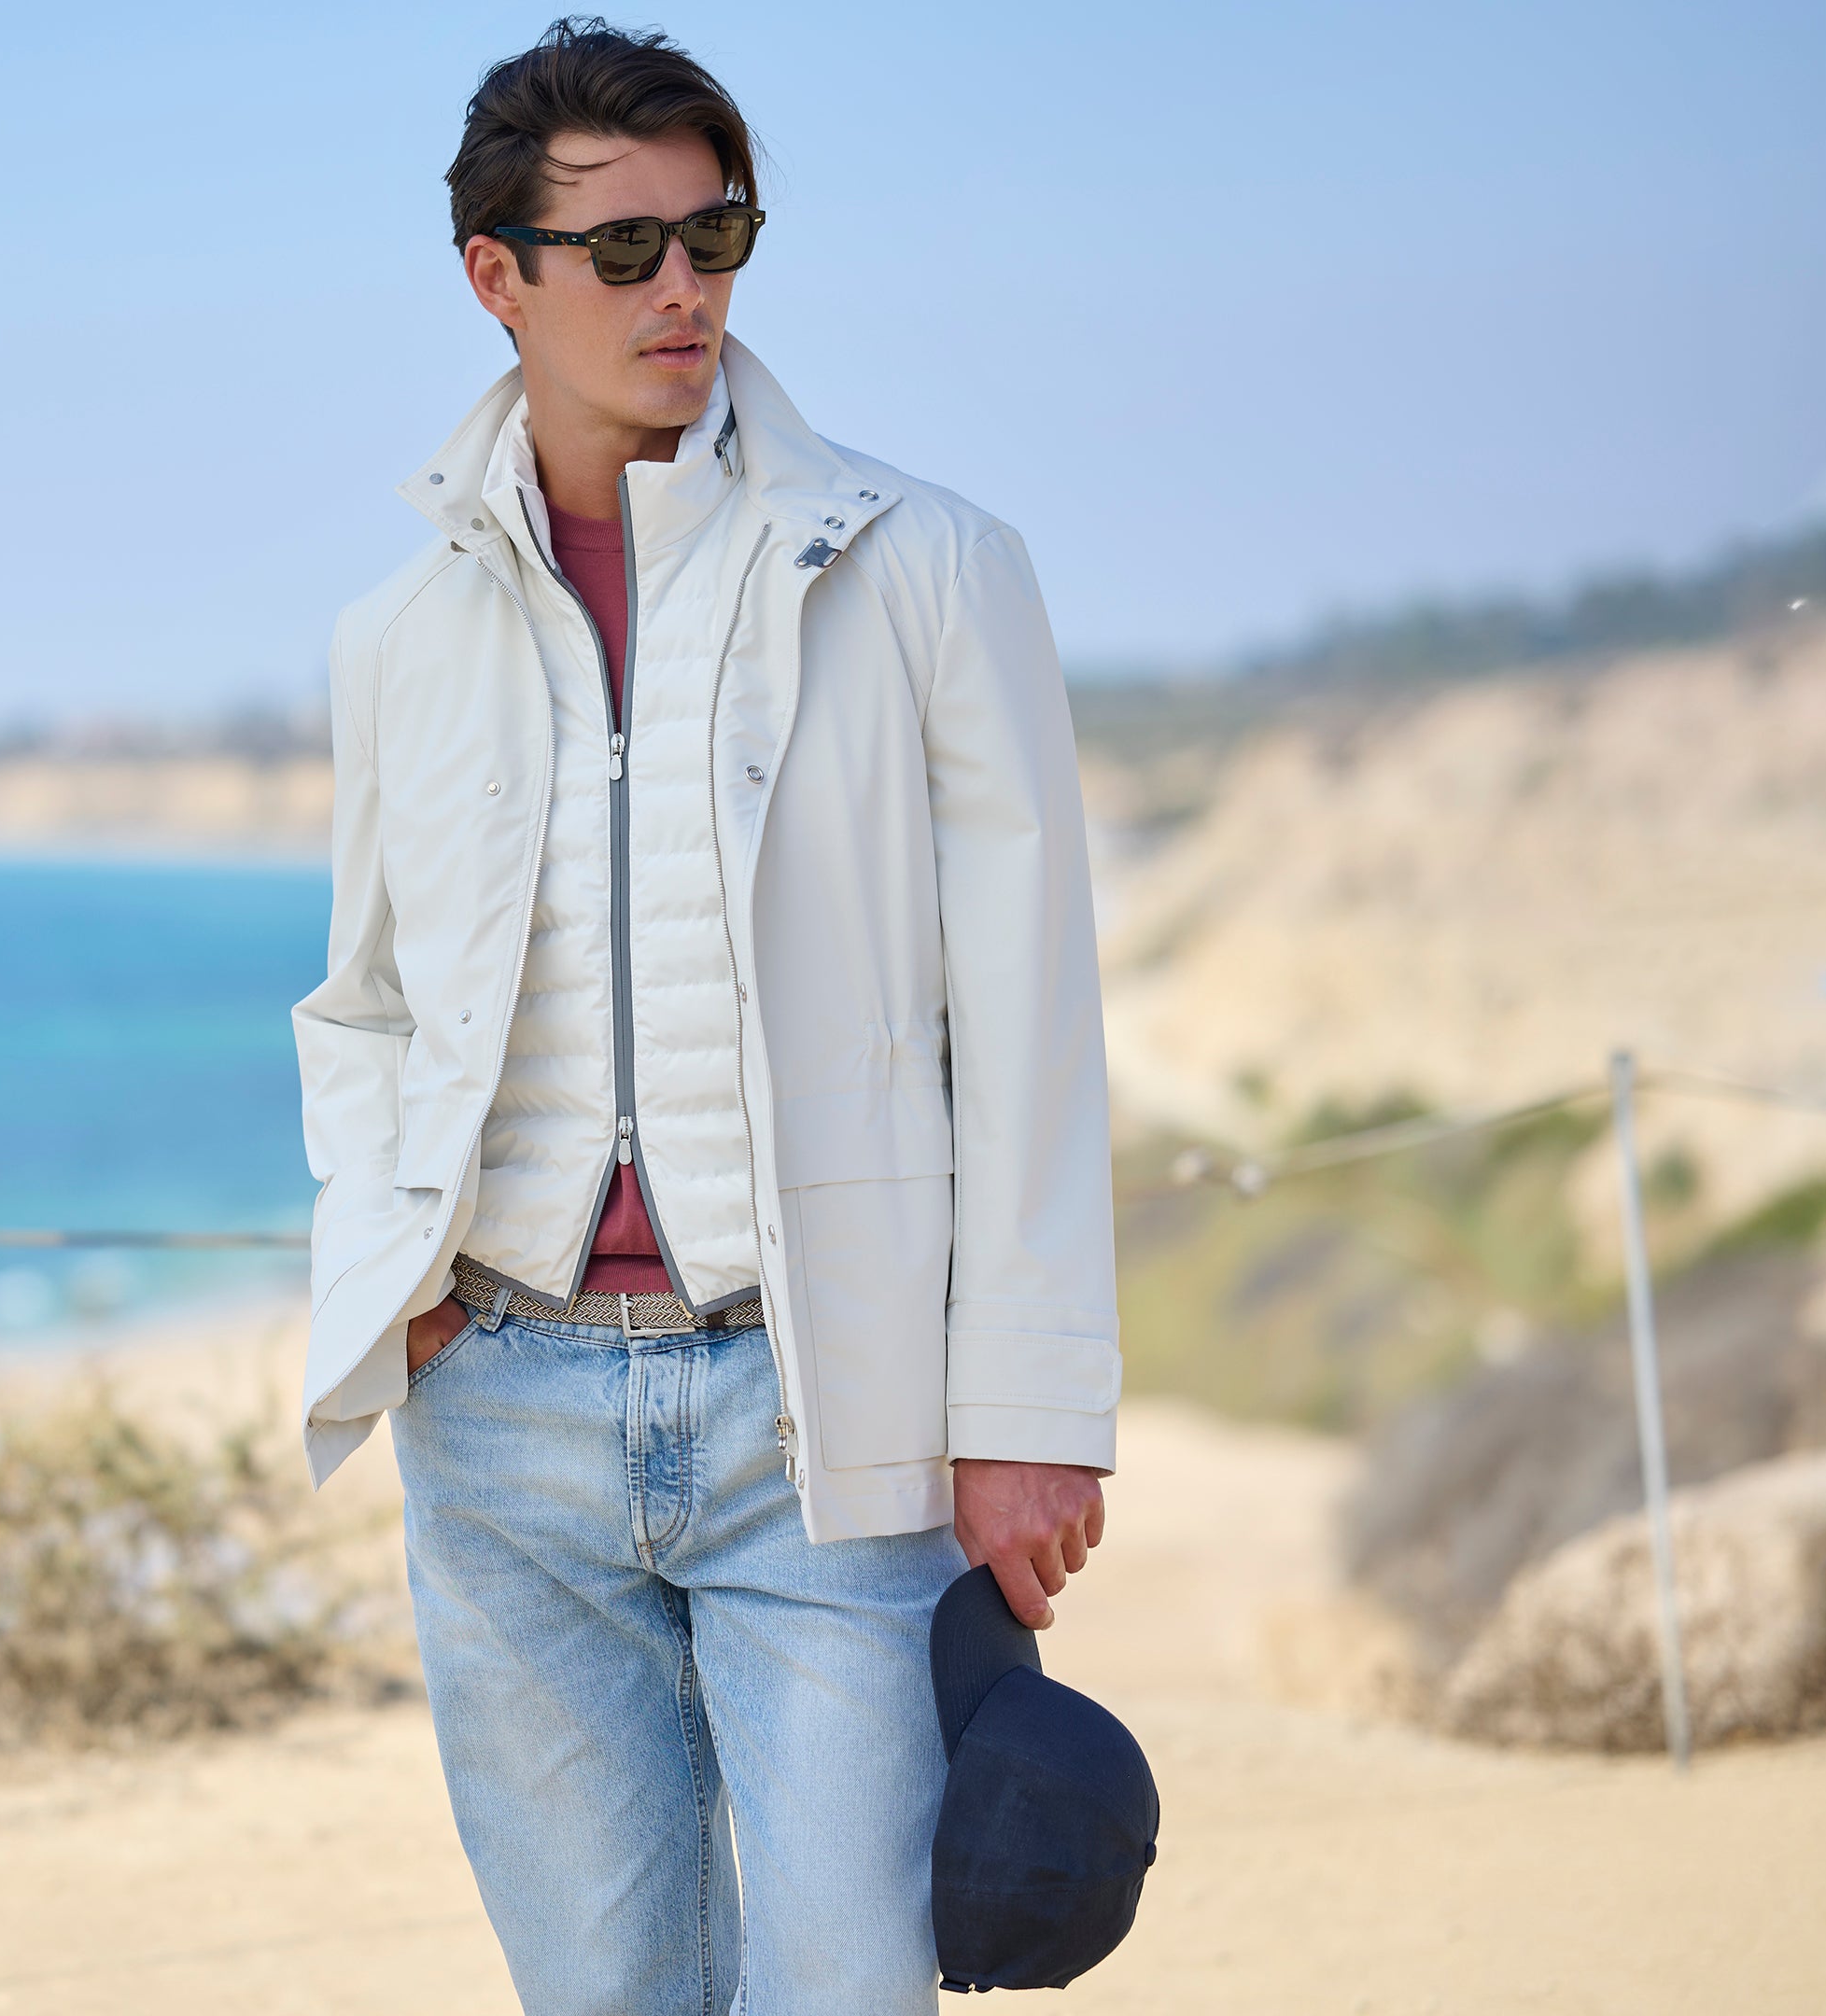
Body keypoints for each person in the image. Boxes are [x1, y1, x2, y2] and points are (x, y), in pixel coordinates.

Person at [290, 20, 1118, 2012]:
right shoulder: (401, 636)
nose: (684, 289)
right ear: (495, 276)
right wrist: (393, 1276)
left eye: (716, 236)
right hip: (502, 1416)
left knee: (849, 1984)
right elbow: (372, 1003)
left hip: (820, 1415)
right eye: (623, 249)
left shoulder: (923, 569)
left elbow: (1029, 1018)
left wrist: (1027, 1417)